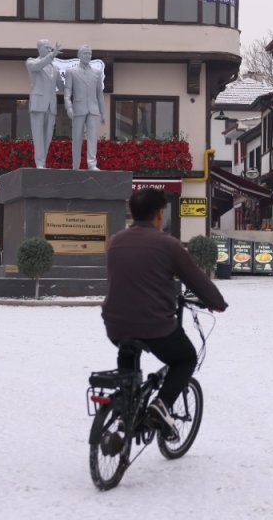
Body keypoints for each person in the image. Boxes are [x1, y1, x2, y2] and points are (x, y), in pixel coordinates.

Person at [101, 188, 228, 441]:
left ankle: (127, 407)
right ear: (159, 214)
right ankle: (161, 406)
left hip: (115, 323)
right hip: (154, 325)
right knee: (185, 359)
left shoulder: (115, 241)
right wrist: (216, 302)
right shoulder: (167, 245)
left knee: (127, 352)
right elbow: (195, 278)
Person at [62, 44, 106, 171]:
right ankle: (75, 164)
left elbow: (100, 94)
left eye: (89, 54)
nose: (88, 56)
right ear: (79, 55)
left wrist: (102, 112)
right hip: (78, 109)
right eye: (85, 53)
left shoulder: (97, 72)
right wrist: (68, 107)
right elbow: (67, 92)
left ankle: (92, 163)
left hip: (92, 109)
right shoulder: (71, 71)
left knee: (92, 137)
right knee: (77, 137)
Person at [25, 39, 63, 169]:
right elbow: (38, 66)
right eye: (47, 47)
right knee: (38, 135)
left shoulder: (55, 68)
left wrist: (69, 80)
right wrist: (52, 56)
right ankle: (39, 162)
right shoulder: (31, 62)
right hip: (38, 104)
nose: (49, 50)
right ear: (39, 48)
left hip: (51, 105)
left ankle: (43, 161)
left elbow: (61, 86)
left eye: (50, 48)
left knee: (48, 136)